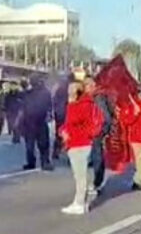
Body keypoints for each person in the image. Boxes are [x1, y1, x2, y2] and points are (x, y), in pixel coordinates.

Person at [57, 82, 101, 215]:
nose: (68, 92)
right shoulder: (81, 104)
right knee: (80, 175)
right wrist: (62, 131)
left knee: (80, 176)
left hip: (79, 143)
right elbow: (68, 124)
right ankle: (82, 202)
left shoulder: (80, 105)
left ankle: (79, 203)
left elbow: (73, 122)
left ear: (77, 92)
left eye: (71, 90)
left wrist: (66, 131)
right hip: (77, 142)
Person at [85, 78, 113, 198]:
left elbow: (106, 117)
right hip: (90, 131)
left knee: (97, 156)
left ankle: (97, 182)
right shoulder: (92, 97)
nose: (84, 88)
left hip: (96, 131)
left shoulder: (98, 98)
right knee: (95, 156)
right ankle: (96, 181)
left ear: (91, 86)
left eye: (86, 85)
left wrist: (102, 131)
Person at [19, 77, 53, 171]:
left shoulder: (32, 93)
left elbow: (21, 107)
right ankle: (43, 162)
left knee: (34, 144)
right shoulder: (41, 93)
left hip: (34, 122)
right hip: (34, 121)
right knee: (40, 144)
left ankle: (35, 162)